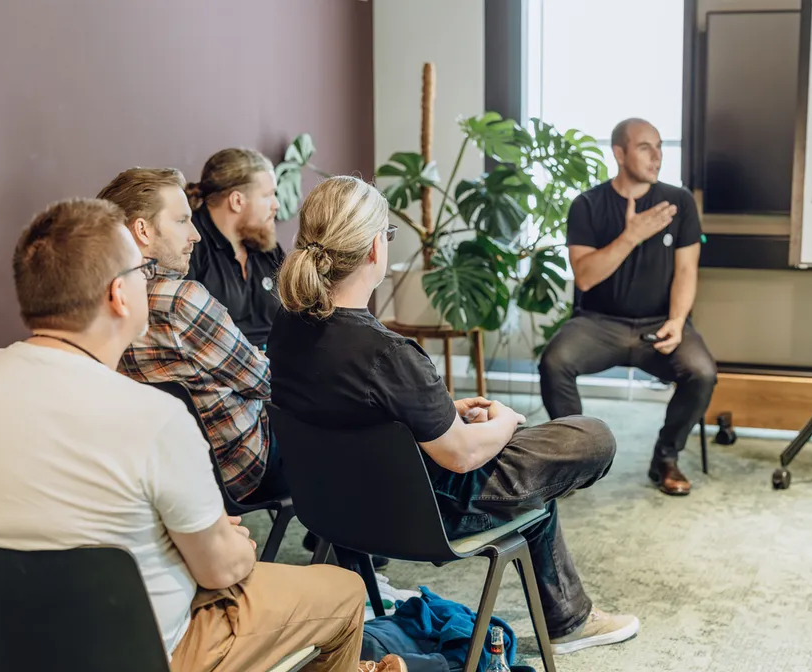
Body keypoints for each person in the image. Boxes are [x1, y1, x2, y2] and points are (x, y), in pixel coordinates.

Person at [0, 198, 402, 672]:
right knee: (342, 590)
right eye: (142, 271)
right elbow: (221, 570)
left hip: (2, 647)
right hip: (151, 653)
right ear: (118, 295)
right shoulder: (154, 418)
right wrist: (231, 545)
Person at [268, 175, 640, 656]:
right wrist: (505, 420)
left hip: (332, 507)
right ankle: (568, 621)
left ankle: (569, 616)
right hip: (424, 511)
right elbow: (461, 456)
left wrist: (441, 409)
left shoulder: (287, 325)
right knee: (591, 437)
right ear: (374, 251)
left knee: (532, 472)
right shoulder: (388, 354)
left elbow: (354, 407)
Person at [538, 117, 717, 497]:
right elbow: (585, 276)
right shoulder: (587, 205)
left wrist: (677, 321)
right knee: (555, 362)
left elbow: (687, 270)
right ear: (619, 153)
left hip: (659, 324)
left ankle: (665, 458)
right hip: (599, 323)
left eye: (660, 147)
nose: (657, 157)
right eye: (644, 148)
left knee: (701, 371)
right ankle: (576, 462)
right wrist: (631, 235)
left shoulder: (679, 202)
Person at [98, 167, 281, 503]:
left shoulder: (96, 303)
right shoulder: (181, 301)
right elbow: (267, 382)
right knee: (339, 430)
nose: (195, 235)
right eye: (182, 221)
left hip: (164, 472)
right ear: (143, 230)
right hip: (239, 467)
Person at [186, 148, 284, 349]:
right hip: (223, 371)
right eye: (268, 195)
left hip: (278, 369)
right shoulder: (189, 245)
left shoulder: (266, 245)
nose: (276, 205)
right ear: (237, 201)